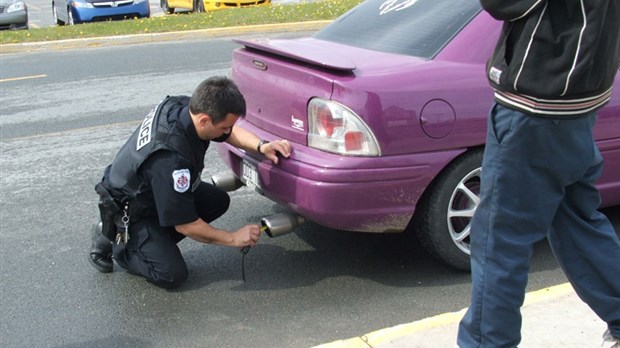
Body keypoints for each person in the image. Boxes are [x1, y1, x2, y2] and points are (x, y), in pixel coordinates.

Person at [457, 0, 620, 347]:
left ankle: (488, 342)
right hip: (582, 100)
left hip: (536, 106)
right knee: (576, 220)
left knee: (499, 241)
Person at [88, 76, 292, 289]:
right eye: (224, 127)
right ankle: (118, 243)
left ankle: (152, 240)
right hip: (132, 210)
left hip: (152, 192)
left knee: (217, 200)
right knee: (171, 274)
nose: (227, 132)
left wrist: (262, 146)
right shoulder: (170, 158)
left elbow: (228, 133)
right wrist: (233, 238)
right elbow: (185, 225)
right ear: (204, 120)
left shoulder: (184, 106)